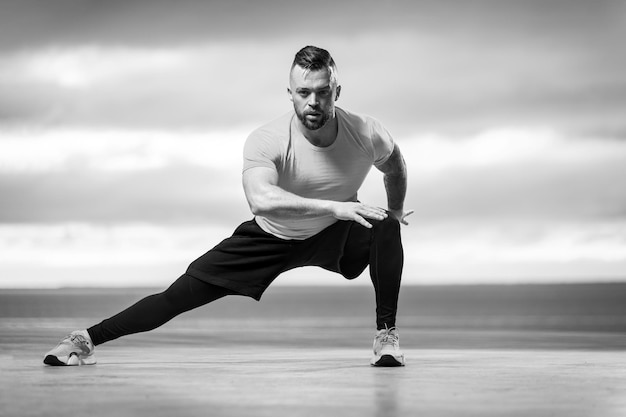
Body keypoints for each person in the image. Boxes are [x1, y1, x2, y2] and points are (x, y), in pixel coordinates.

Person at [44, 45, 412, 367]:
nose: (313, 102)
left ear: (337, 91)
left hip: (336, 235)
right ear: (290, 93)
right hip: (271, 238)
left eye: (322, 92)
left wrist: (395, 209)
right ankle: (85, 339)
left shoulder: (365, 132)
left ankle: (386, 337)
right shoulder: (267, 139)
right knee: (177, 296)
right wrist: (334, 207)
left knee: (385, 225)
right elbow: (260, 199)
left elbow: (394, 163)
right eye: (303, 93)